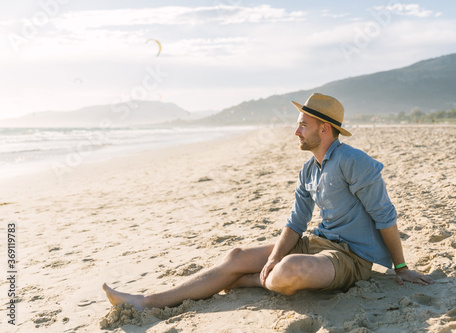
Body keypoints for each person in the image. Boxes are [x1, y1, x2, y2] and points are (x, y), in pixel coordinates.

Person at [103, 93, 434, 311]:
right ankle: (144, 301)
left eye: (303, 125)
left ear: (324, 128)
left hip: (352, 258)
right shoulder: (309, 169)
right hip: (318, 241)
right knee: (235, 255)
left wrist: (401, 268)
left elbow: (384, 216)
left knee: (288, 271)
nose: (297, 132)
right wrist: (270, 258)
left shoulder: (355, 161)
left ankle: (244, 280)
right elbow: (295, 222)